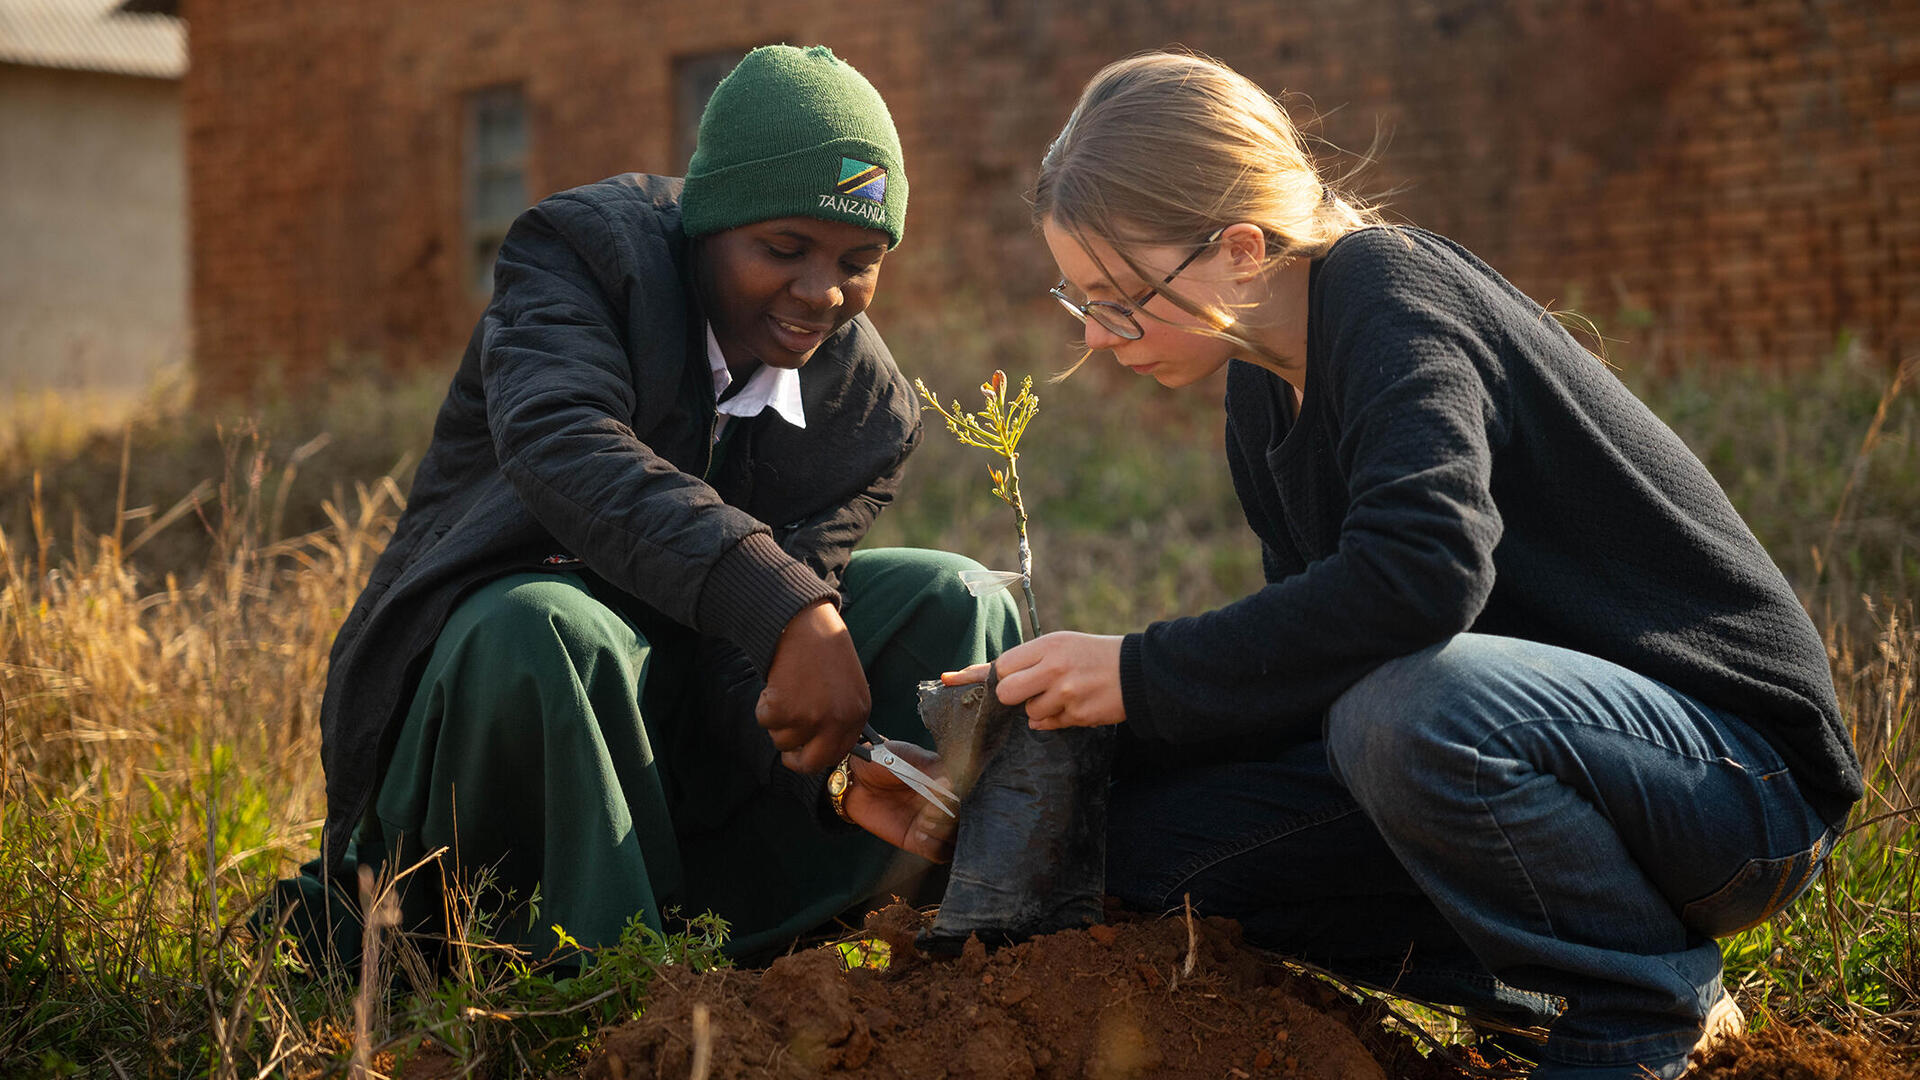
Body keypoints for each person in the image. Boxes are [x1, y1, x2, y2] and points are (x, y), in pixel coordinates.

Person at [945, 51, 1861, 1080]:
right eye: (1081, 304)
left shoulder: (1389, 289)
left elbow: (1424, 571)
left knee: (1406, 709)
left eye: (1122, 299)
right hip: (1539, 766)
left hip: (1735, 787)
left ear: (1241, 249)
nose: (1106, 339)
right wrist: (1087, 749)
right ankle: (1539, 996)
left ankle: (1639, 1011)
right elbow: (1315, 660)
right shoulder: (1260, 388)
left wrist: (1138, 671)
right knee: (1155, 848)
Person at [270, 44, 1020, 968]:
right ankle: (569, 976)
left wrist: (832, 766)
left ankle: (838, 936)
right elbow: (563, 443)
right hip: (499, 701)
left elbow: (744, 666)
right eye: (782, 249)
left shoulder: (865, 412)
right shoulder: (583, 257)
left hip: (673, 720)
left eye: (859, 261)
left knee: (959, 596)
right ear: (709, 224)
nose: (822, 292)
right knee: (548, 625)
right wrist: (784, 604)